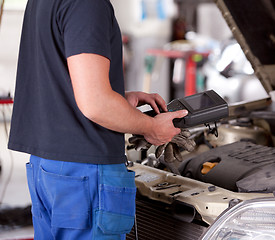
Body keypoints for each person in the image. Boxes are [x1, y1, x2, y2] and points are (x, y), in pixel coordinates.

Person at [8, 0, 187, 239]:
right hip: (84, 173)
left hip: (47, 166)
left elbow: (58, 79)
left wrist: (119, 99)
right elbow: (95, 104)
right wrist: (152, 127)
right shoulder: (88, 4)